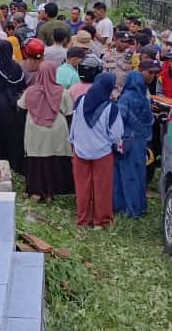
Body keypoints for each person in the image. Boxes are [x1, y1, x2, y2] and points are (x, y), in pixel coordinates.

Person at [69, 72, 123, 228]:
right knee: (102, 187)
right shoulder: (111, 108)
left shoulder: (80, 101)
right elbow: (116, 135)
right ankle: (101, 221)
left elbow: (74, 125)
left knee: (82, 187)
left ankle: (83, 220)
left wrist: (74, 142)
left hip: (80, 151)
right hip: (102, 153)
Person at [19, 61, 75, 202]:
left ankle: (36, 192)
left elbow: (21, 105)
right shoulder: (62, 92)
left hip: (35, 130)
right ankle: (51, 192)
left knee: (36, 161)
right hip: (55, 129)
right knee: (52, 160)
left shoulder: (30, 91)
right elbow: (69, 112)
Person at [113, 71, 152, 219]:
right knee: (139, 174)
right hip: (140, 142)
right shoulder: (143, 98)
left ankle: (126, 207)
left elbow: (120, 118)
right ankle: (139, 206)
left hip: (127, 140)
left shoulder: (126, 98)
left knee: (125, 174)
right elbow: (149, 121)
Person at [0, 39, 27, 175]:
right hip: (14, 103)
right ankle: (14, 162)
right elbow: (23, 85)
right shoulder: (17, 66)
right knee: (13, 131)